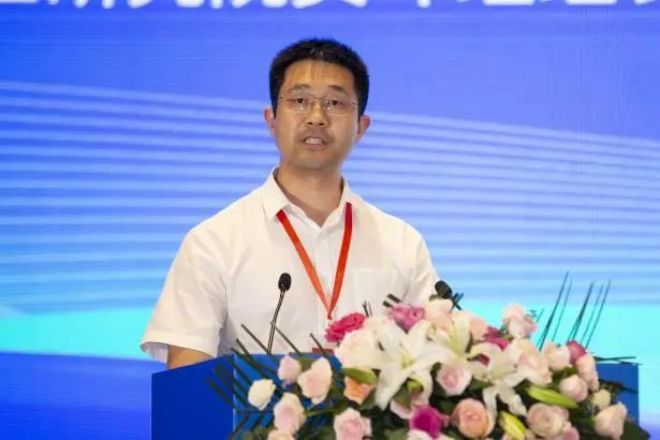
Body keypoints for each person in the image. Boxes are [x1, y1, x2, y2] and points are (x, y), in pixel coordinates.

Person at [141, 38, 439, 369]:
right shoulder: (213, 242)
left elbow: (435, 365)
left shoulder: (403, 244)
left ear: (361, 127)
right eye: (299, 100)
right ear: (272, 120)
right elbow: (186, 380)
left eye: (335, 103)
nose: (316, 117)